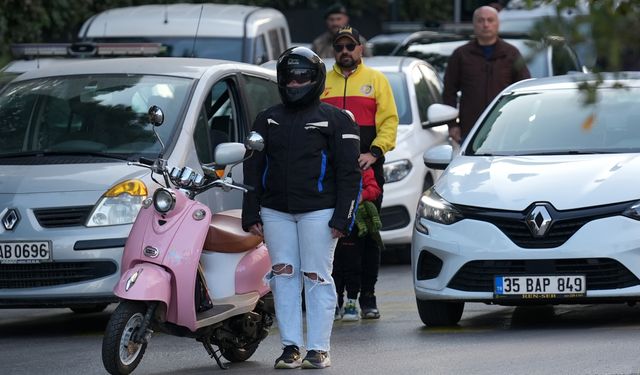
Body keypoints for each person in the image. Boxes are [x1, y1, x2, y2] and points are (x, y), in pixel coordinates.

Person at [242, 46, 361, 370]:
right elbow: (252, 168)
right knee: (283, 276)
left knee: (317, 276)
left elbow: (350, 174)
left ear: (316, 79)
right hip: (275, 211)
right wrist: (250, 213)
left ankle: (319, 349)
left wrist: (344, 217)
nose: (294, 84)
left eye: (302, 77)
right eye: (288, 78)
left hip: (320, 212)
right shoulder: (266, 119)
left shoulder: (337, 120)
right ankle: (290, 347)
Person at [321, 26, 399, 320]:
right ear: (333, 50)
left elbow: (390, 122)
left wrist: (375, 152)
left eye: (350, 46)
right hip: (330, 174)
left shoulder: (376, 80)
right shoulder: (322, 82)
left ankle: (368, 296)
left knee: (367, 233)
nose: (344, 52)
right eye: (339, 46)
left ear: (360, 50)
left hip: (367, 170)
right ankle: (337, 296)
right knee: (332, 234)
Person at [443, 5, 531, 143]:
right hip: (471, 130)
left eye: (490, 20)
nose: (485, 24)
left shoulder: (511, 53)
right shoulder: (461, 55)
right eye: (480, 20)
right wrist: (452, 125)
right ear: (473, 24)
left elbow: (524, 90)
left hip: (506, 128)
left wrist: (521, 122)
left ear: (497, 24)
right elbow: (449, 92)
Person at [333, 167, 381, 321]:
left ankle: (352, 302)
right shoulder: (328, 163)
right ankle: (334, 303)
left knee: (353, 266)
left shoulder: (362, 167)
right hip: (331, 220)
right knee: (333, 266)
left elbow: (374, 189)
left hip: (355, 226)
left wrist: (361, 196)